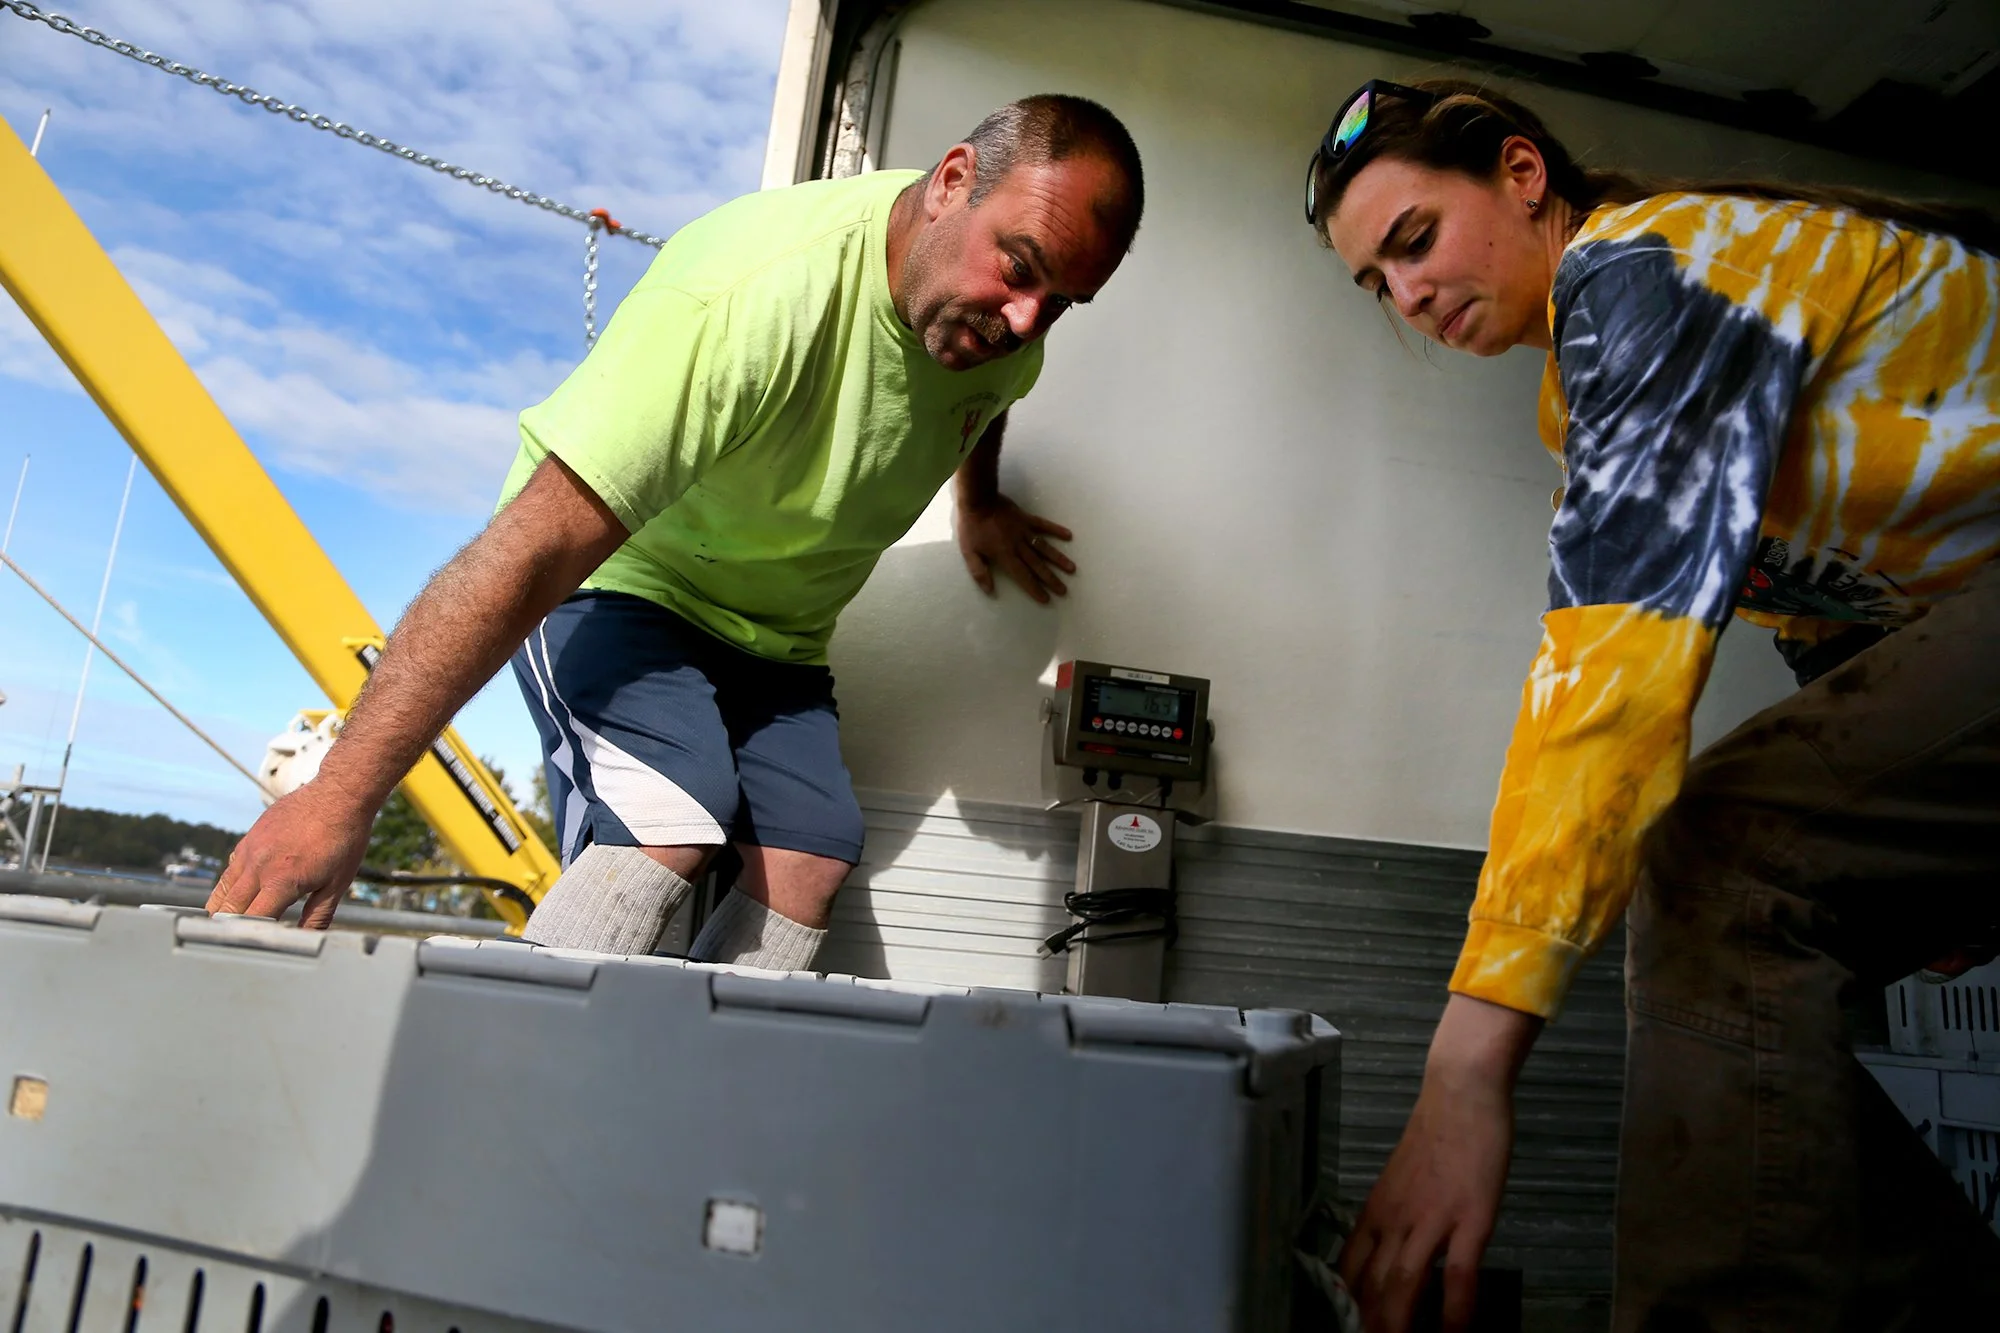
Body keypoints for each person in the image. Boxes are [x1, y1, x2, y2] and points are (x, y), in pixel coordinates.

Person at [1303, 78, 2000, 1331]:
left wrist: (1465, 1069)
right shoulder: (1575, 395)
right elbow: (1816, 613)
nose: (1405, 295)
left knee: (1713, 860)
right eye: (1374, 283)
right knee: (1741, 904)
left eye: (1411, 241)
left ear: (1522, 174)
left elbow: (1610, 678)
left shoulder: (1645, 268)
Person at [208, 94, 1144, 973]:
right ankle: (510, 1064)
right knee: (667, 835)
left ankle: (686, 1084)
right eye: (1019, 269)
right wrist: (338, 798)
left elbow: (987, 399)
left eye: (1062, 301)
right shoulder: (748, 298)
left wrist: (975, 503)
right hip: (626, 584)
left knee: (810, 868)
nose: (1028, 321)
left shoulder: (1004, 329)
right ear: (950, 182)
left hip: (778, 641)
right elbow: (529, 546)